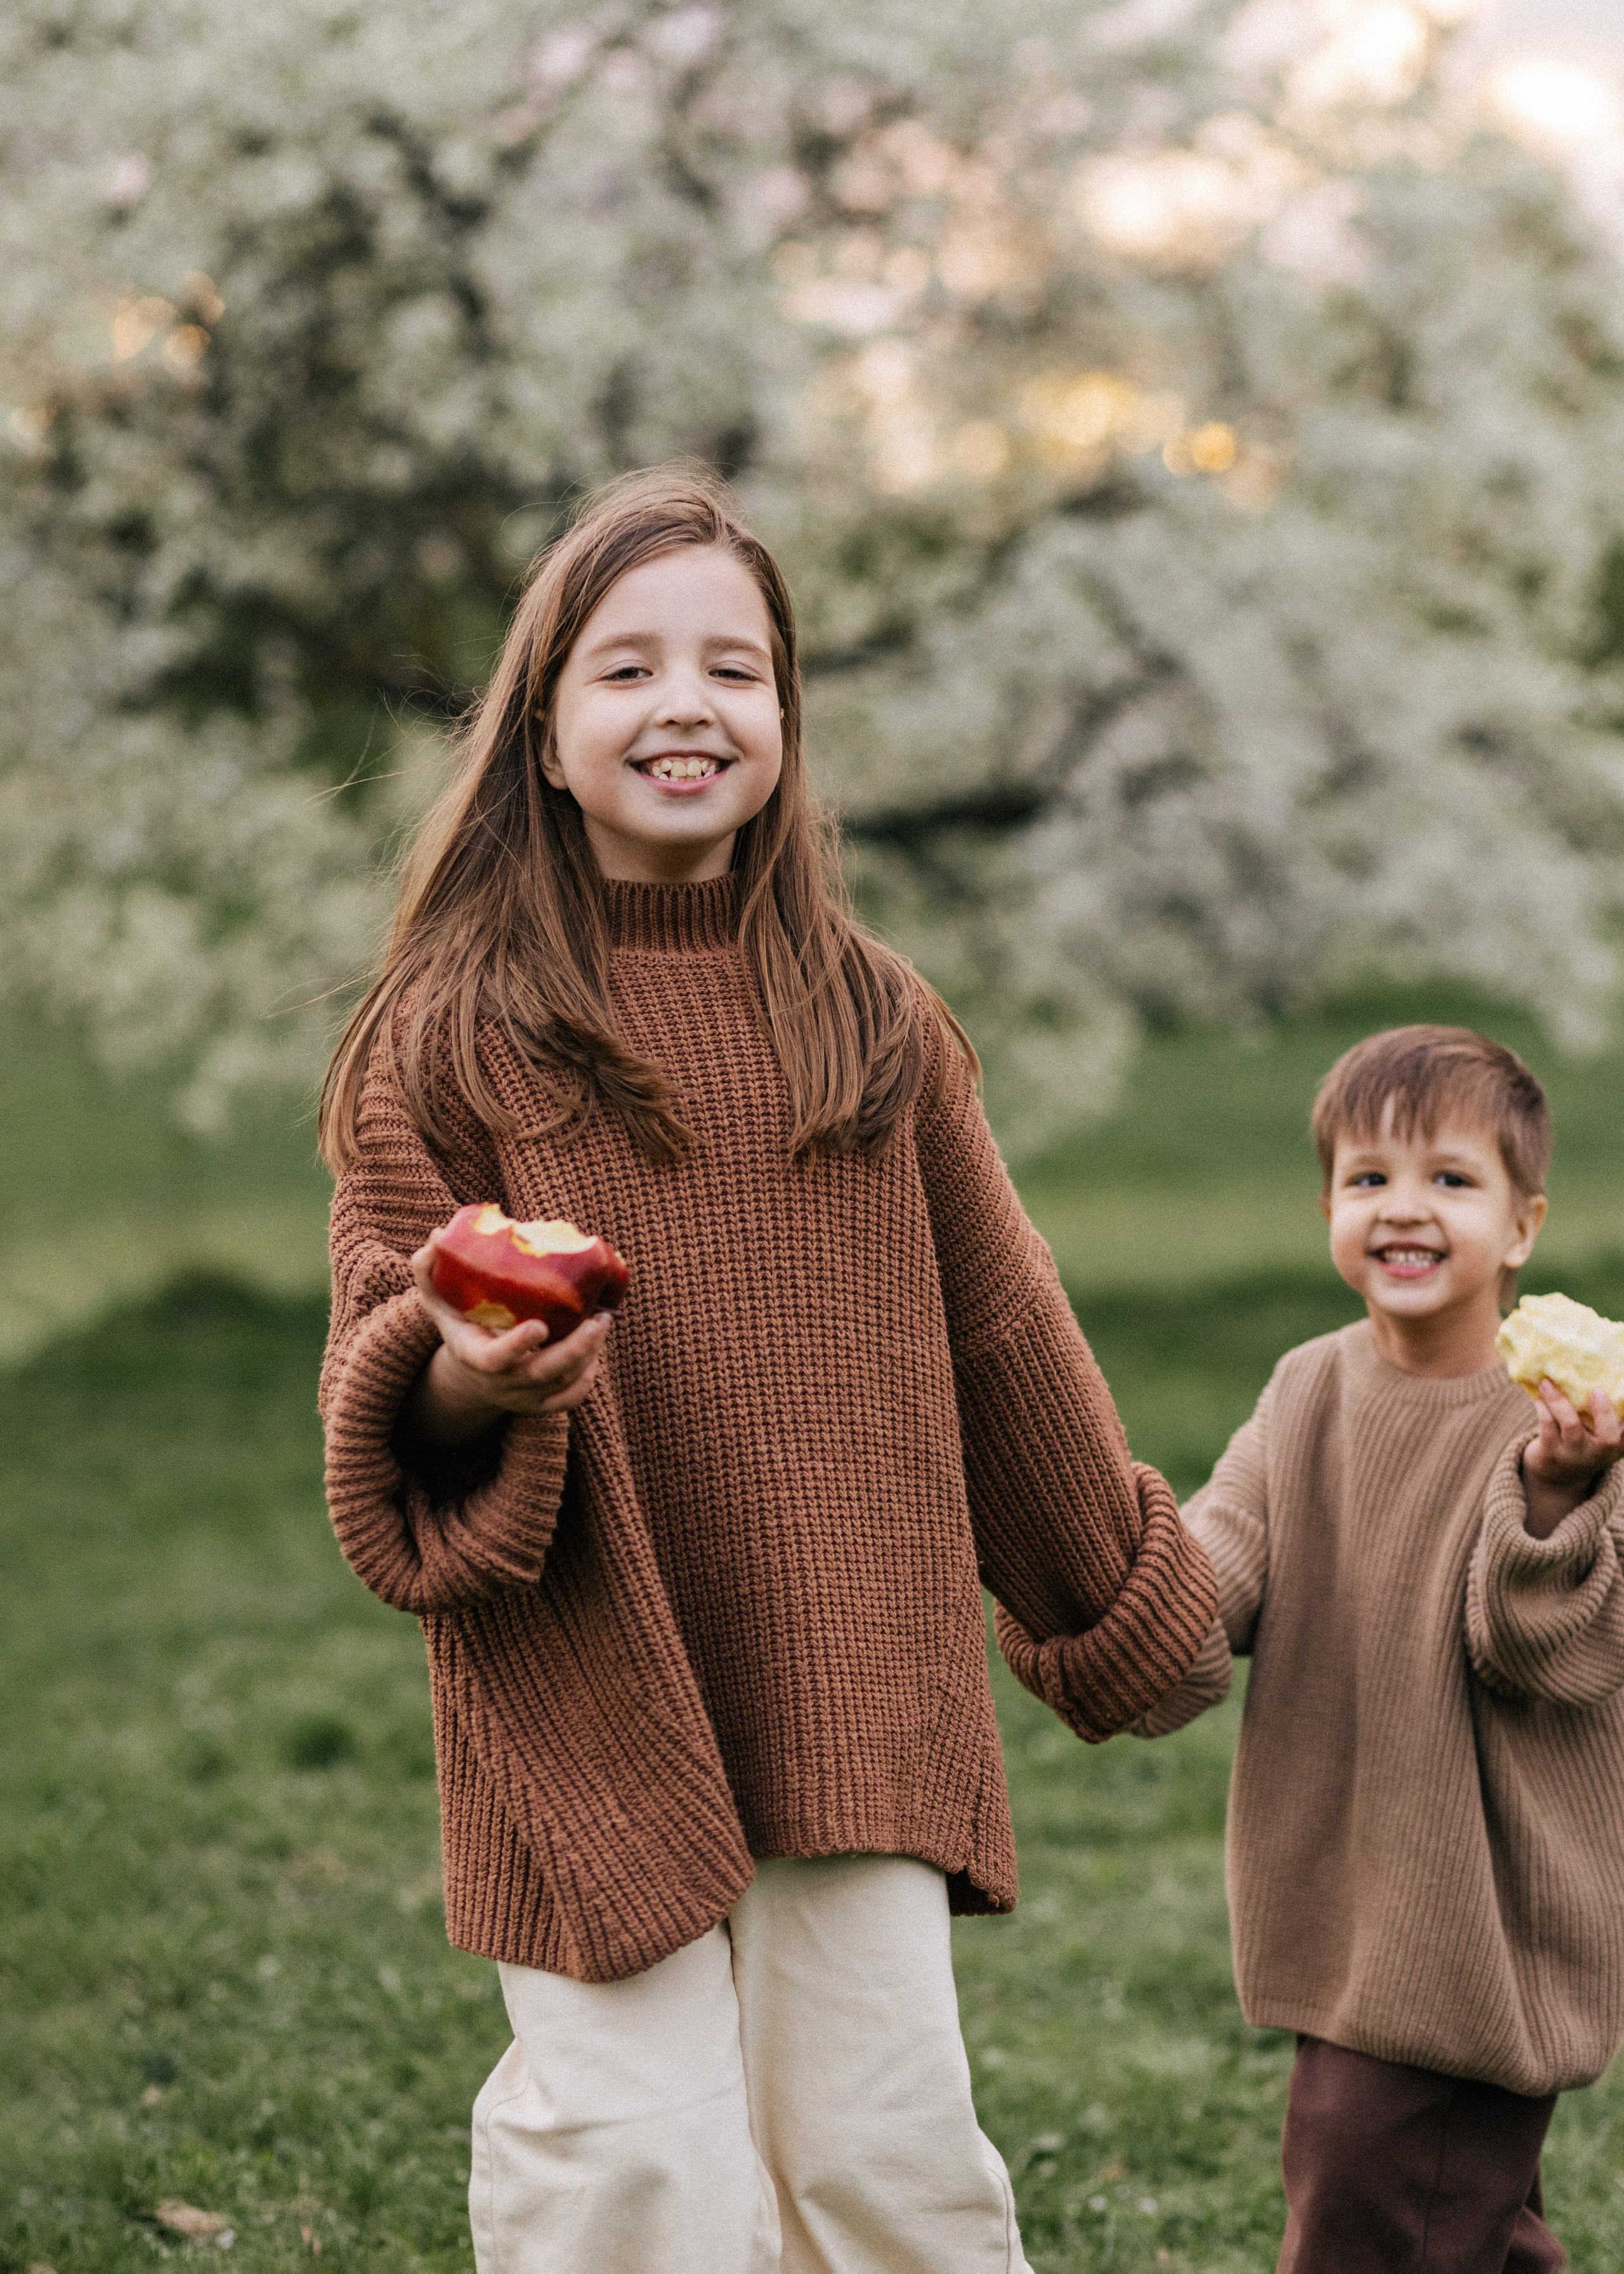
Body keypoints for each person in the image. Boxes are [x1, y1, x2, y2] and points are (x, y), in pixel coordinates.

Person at [315, 466, 1221, 2274]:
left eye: (737, 671)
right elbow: (381, 1367)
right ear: (546, 739)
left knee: (887, 2163)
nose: (687, 706)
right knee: (632, 2170)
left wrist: (1133, 1605)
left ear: (789, 728)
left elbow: (1002, 1340)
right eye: (629, 669)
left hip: (853, 1679)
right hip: (586, 1692)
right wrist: (471, 1373)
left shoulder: (869, 1021)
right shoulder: (451, 1037)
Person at [1139, 1023, 1624, 2273]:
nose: (1402, 1210)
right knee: (1453, 2220)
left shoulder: (1571, 1427)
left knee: (1371, 2213)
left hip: (1478, 1924)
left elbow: (1540, 1652)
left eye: (1448, 1180)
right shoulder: (1307, 1385)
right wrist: (1112, 1579)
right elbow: (1223, 1558)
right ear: (1325, 1207)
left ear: (1520, 1225)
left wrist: (1555, 1495)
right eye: (1367, 1179)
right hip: (1350, 1898)